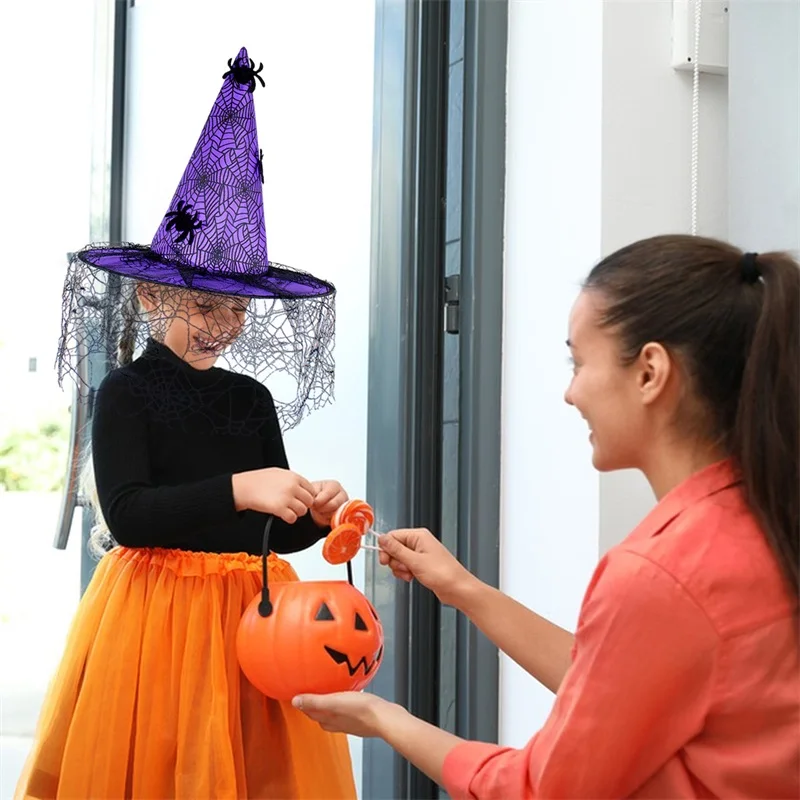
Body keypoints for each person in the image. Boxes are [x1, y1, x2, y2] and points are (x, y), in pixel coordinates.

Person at [293, 235, 800, 798]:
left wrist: (384, 719)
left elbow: (539, 789)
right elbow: (613, 683)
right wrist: (462, 588)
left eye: (579, 362)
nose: (570, 392)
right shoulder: (760, 521)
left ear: (651, 372)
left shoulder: (662, 573)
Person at [17, 48, 357, 799]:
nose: (225, 325)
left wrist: (311, 511)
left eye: (238, 309)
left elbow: (273, 529)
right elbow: (133, 516)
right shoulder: (127, 393)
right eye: (207, 306)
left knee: (249, 777)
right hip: (156, 628)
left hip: (254, 625)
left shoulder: (249, 401)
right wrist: (243, 487)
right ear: (150, 300)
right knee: (159, 772)